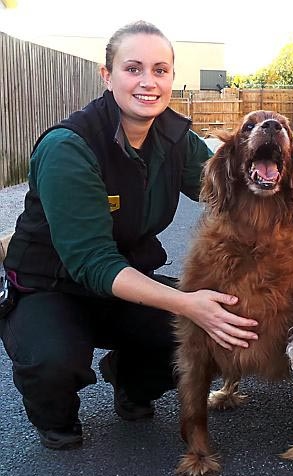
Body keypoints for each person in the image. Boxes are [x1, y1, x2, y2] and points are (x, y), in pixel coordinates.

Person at [0, 20, 258, 450]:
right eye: (133, 68)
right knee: (54, 361)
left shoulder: (176, 139)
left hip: (126, 285)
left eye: (160, 70)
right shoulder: (70, 146)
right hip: (52, 285)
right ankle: (54, 412)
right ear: (108, 76)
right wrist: (189, 303)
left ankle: (131, 382)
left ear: (172, 78)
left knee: (198, 338)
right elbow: (92, 262)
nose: (147, 82)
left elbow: (232, 192)